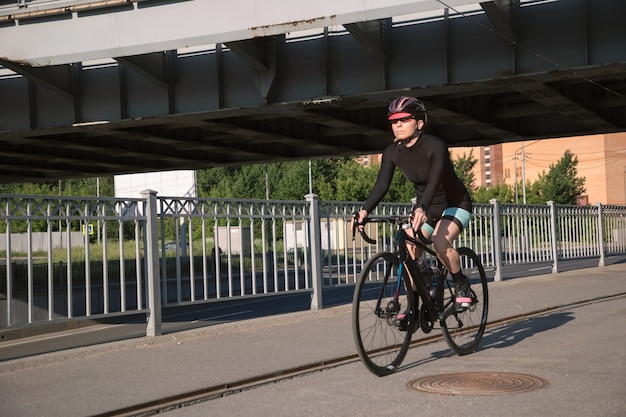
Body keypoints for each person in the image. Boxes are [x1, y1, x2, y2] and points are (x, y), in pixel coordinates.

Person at [354, 96, 473, 317]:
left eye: (404, 119)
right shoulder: (392, 152)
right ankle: (416, 305)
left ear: (419, 123)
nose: (397, 125)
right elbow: (381, 185)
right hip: (427, 207)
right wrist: (364, 211)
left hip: (455, 204)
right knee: (407, 247)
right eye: (393, 121)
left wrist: (422, 207)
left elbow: (435, 179)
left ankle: (461, 283)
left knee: (439, 241)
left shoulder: (435, 145)